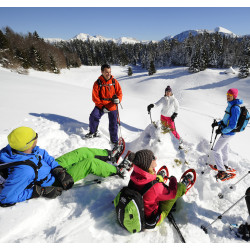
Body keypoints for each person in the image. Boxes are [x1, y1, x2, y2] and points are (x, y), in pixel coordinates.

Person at [0, 126, 126, 207]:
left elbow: (43, 154)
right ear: (27, 145)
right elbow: (6, 197)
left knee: (81, 152)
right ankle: (118, 170)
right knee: (89, 163)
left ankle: (110, 155)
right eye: (34, 140)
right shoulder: (23, 171)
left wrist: (56, 167)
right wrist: (39, 191)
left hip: (52, 170)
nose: (36, 141)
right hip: (53, 182)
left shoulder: (17, 148)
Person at [126, 149, 190, 228]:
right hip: (150, 219)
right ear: (148, 164)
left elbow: (149, 182)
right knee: (177, 189)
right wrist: (173, 180)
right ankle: (184, 186)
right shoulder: (156, 187)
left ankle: (160, 177)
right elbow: (172, 193)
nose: (155, 158)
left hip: (139, 209)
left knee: (156, 180)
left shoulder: (134, 176)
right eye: (153, 158)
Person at [85, 64, 123, 146]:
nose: (108, 74)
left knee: (113, 122)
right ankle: (93, 132)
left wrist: (118, 99)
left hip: (112, 105)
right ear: (102, 72)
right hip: (101, 105)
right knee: (93, 116)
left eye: (109, 72)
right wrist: (102, 107)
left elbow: (119, 93)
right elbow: (95, 97)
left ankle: (114, 140)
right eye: (106, 72)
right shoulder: (97, 83)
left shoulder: (114, 82)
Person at [211, 88, 243, 181]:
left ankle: (222, 171)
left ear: (234, 96)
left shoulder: (235, 108)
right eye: (227, 94)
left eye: (230, 95)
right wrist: (218, 123)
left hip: (228, 133)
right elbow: (226, 120)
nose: (228, 96)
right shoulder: (230, 105)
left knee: (216, 150)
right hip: (226, 131)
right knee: (224, 148)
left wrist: (222, 131)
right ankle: (224, 164)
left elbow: (232, 125)